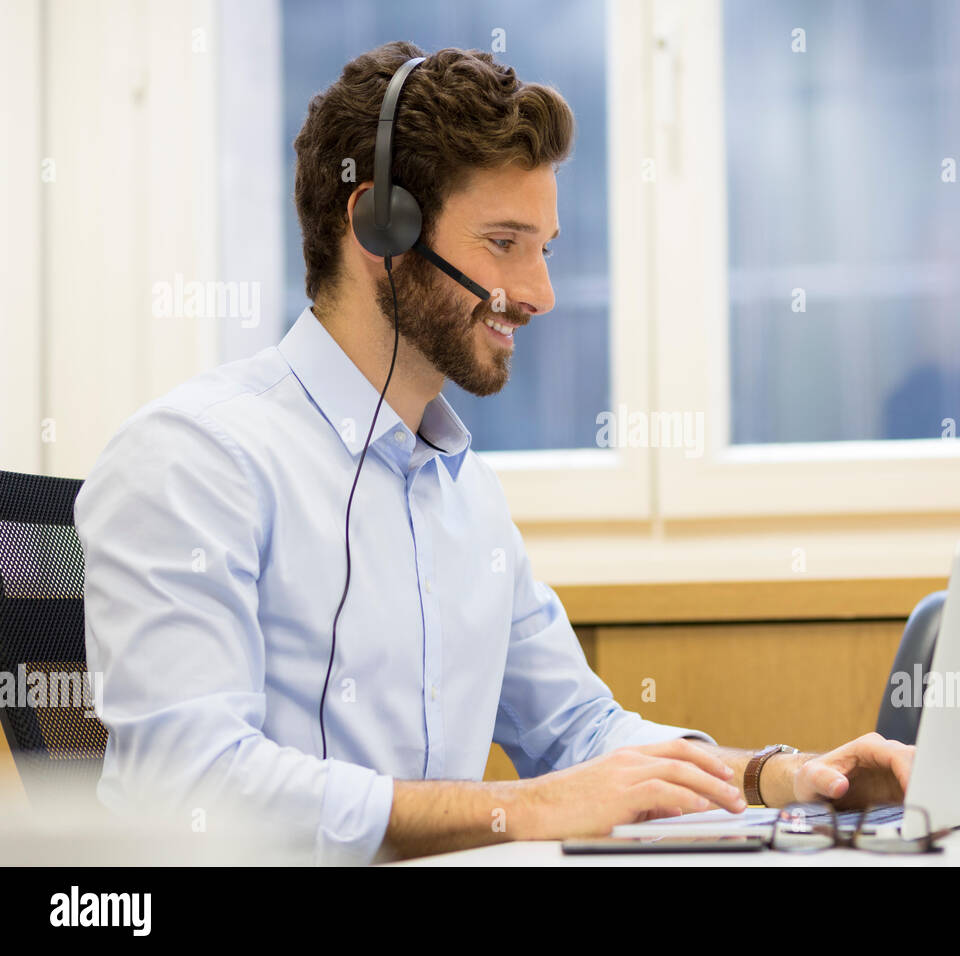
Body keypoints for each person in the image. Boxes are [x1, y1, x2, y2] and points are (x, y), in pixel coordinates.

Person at [75, 41, 914, 864]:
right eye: (505, 243)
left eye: (543, 249)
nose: (542, 294)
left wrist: (786, 778)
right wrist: (524, 808)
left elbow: (579, 732)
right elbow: (187, 787)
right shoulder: (194, 460)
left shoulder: (460, 487)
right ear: (379, 228)